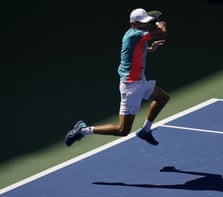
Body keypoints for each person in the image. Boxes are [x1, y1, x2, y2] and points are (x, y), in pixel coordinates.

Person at [65, 8, 169, 146]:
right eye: (143, 23)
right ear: (134, 23)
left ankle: (145, 130)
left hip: (139, 80)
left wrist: (150, 49)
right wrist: (159, 22)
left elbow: (135, 52)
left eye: (146, 23)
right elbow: (162, 32)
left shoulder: (136, 36)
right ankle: (82, 130)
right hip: (131, 87)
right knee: (123, 130)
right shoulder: (134, 35)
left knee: (162, 98)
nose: (145, 25)